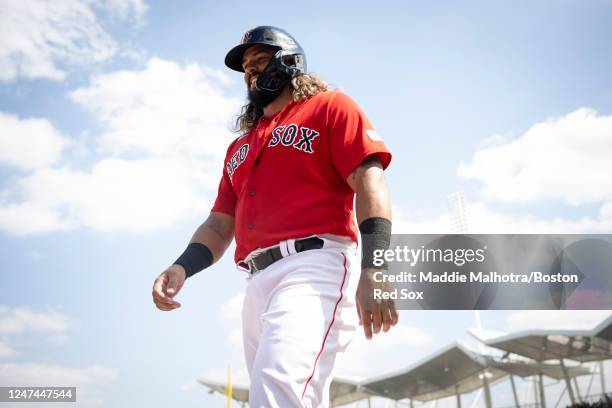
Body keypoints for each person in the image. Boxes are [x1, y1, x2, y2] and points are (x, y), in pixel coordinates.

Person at [152, 25, 397, 407]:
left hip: (315, 264)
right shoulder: (239, 146)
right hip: (256, 280)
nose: (250, 71)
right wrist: (181, 266)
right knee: (286, 395)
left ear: (290, 62)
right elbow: (220, 223)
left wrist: (376, 267)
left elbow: (370, 180)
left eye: (260, 61)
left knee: (276, 384)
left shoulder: (331, 106)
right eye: (245, 67)